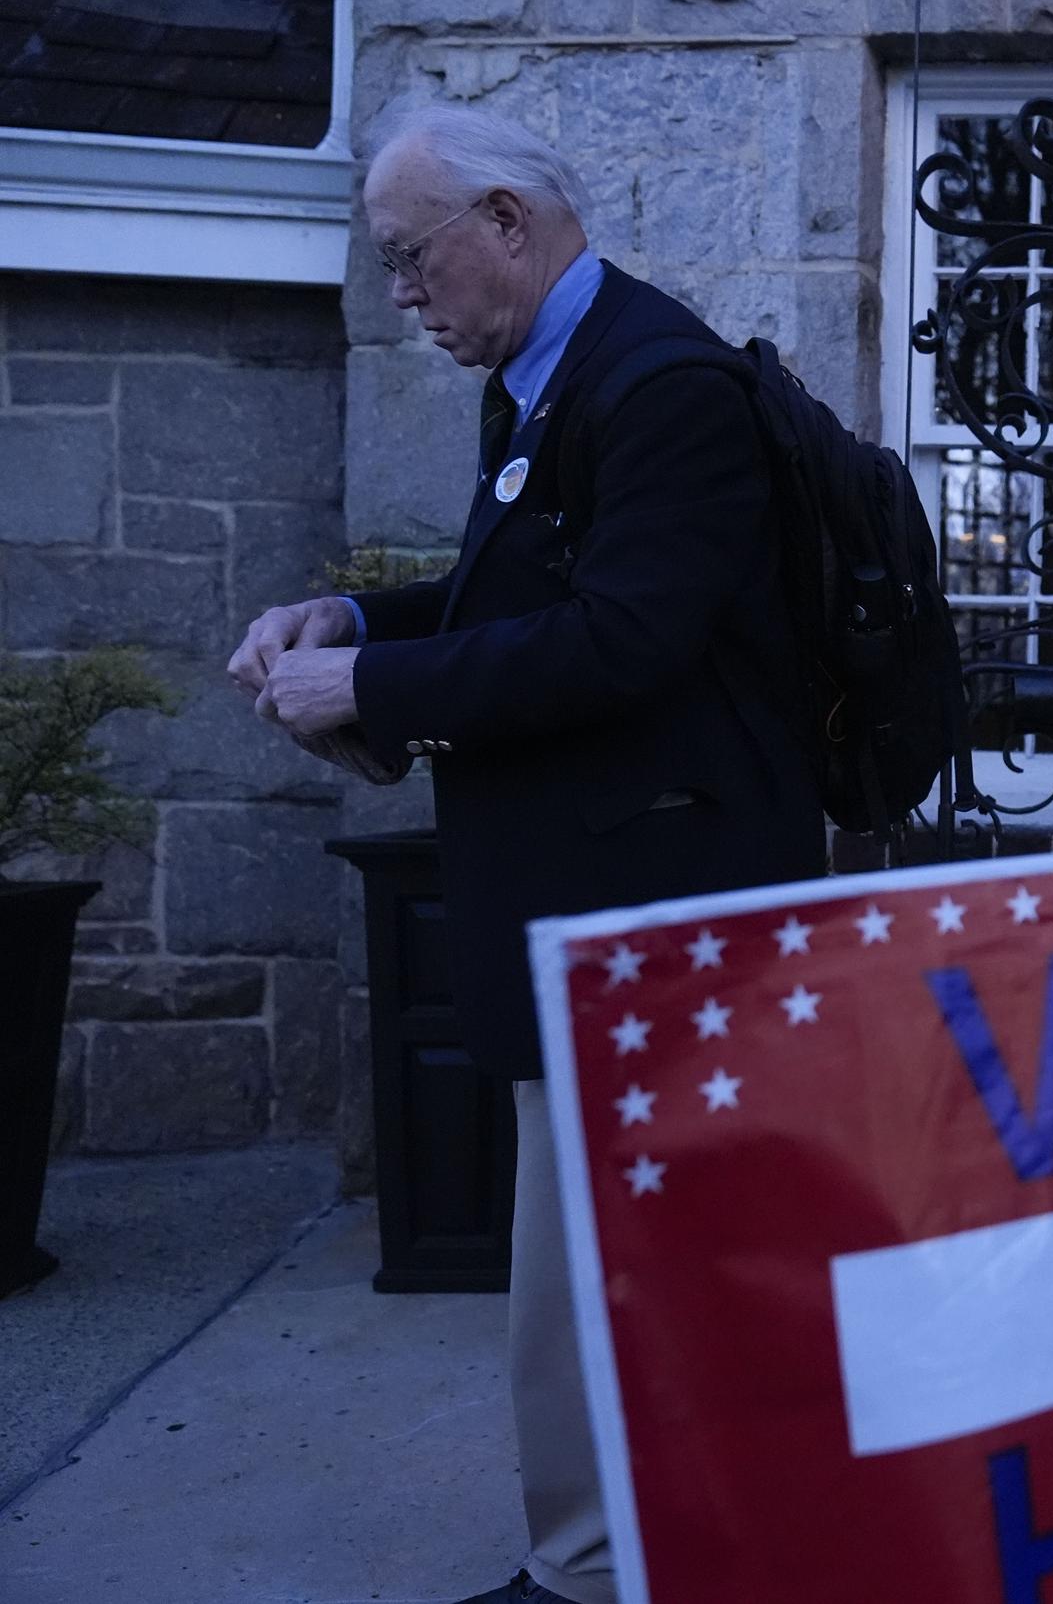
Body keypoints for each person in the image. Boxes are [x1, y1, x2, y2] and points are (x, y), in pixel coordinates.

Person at [227, 102, 825, 1604]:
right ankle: (635, 1551)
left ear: (507, 220)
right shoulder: (569, 373)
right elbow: (525, 592)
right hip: (603, 909)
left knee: (585, 1279)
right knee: (611, 1269)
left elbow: (625, 638)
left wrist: (369, 690)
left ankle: (590, 1572)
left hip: (647, 921)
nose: (403, 299)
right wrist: (357, 621)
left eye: (414, 261)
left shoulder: (661, 381)